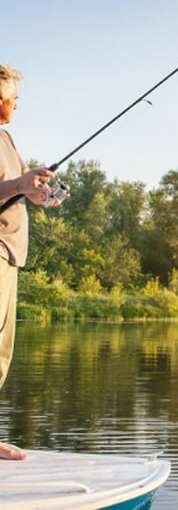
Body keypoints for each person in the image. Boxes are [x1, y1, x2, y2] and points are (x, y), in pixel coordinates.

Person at [0, 63, 56, 460]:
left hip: (10, 254)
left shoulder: (5, 138)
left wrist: (36, 191)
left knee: (1, 352)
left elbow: (18, 186)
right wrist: (21, 184)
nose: (16, 105)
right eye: (13, 98)